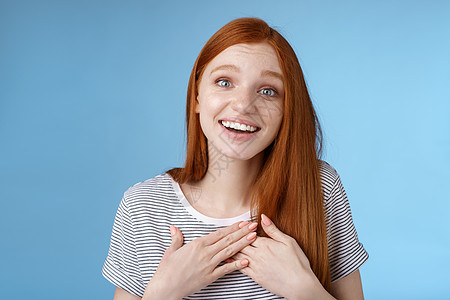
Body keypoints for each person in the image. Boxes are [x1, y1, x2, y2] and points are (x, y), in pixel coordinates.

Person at [102, 17, 368, 300]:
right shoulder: (142, 206)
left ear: (287, 109)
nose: (243, 105)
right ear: (196, 97)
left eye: (268, 91)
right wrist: (163, 293)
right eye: (224, 82)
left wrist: (304, 290)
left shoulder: (319, 187)